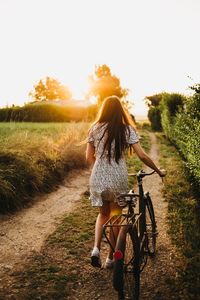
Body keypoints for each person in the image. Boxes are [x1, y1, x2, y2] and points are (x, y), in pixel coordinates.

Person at [86, 95, 166, 269]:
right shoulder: (127, 130)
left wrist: (98, 171)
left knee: (103, 215)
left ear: (104, 110)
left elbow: (88, 157)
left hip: (98, 176)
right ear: (120, 110)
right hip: (117, 178)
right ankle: (110, 259)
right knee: (116, 218)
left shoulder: (94, 128)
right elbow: (142, 155)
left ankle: (96, 249)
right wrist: (158, 171)